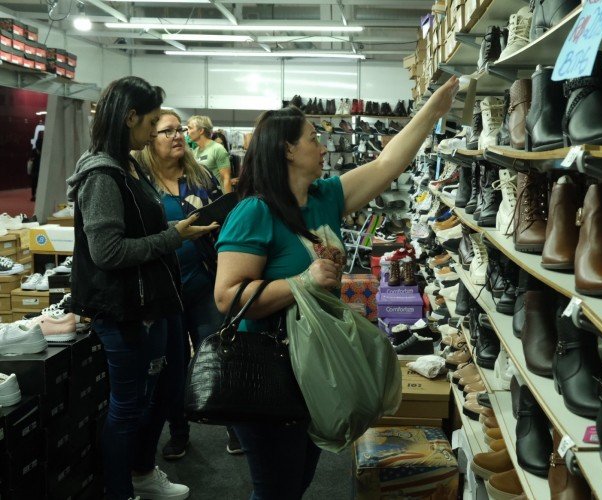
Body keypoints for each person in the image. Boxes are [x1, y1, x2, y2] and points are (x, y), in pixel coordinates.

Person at [213, 76, 458, 499]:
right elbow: (226, 296)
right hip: (269, 370)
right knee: (276, 488)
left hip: (315, 364)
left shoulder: (322, 196)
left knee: (299, 479)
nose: (323, 144)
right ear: (288, 149)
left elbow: (386, 165)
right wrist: (301, 281)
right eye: (313, 137)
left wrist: (433, 111)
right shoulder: (254, 212)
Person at [66, 76, 216, 500]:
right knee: (128, 406)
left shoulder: (128, 166)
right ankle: (121, 489)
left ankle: (142, 472)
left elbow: (139, 228)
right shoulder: (101, 174)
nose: (155, 132)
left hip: (156, 300)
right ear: (130, 117)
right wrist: (174, 237)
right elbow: (108, 252)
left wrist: (178, 229)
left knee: (167, 390)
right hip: (126, 309)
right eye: (152, 122)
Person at [135, 110, 244, 459]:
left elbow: (224, 218)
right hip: (163, 288)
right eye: (167, 131)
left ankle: (234, 428)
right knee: (170, 368)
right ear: (150, 139)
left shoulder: (202, 177)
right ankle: (179, 433)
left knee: (218, 355)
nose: (177, 135)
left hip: (203, 282)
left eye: (180, 129)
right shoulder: (140, 185)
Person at [187, 115, 232, 193]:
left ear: (201, 131)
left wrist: (228, 202)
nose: (188, 132)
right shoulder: (195, 151)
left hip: (218, 199)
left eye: (190, 128)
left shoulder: (218, 149)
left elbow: (226, 179)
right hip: (203, 199)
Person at [29, 133, 43, 201]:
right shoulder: (44, 152)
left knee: (34, 183)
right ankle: (38, 195)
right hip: (40, 169)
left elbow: (31, 160)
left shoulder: (34, 151)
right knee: (38, 183)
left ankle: (34, 195)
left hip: (35, 169)